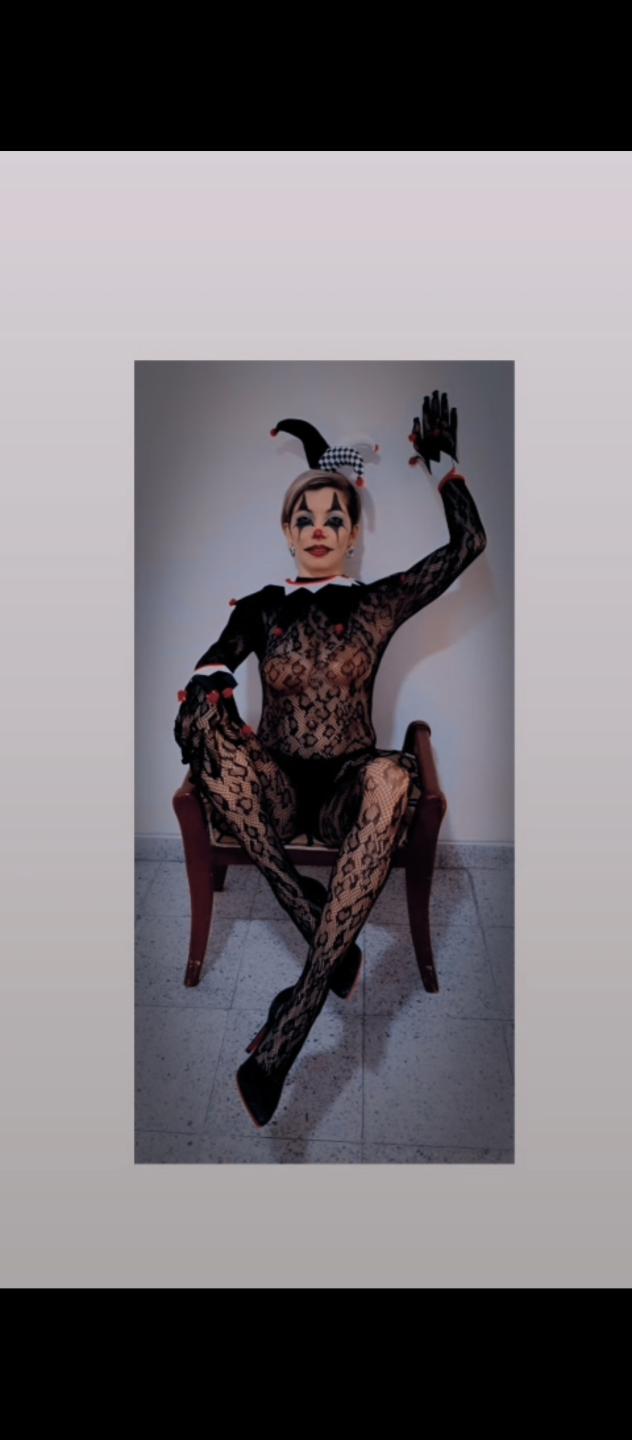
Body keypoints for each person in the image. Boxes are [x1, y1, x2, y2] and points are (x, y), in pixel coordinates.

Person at [174, 391, 487, 1127]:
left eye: (335, 518)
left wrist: (443, 467)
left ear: (351, 536)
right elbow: (216, 659)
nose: (320, 529)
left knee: (394, 774)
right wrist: (207, 687)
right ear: (288, 532)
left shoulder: (376, 603)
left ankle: (299, 1008)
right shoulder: (260, 606)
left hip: (347, 787)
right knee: (203, 719)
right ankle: (313, 913)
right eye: (305, 518)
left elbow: (467, 546)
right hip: (277, 790)